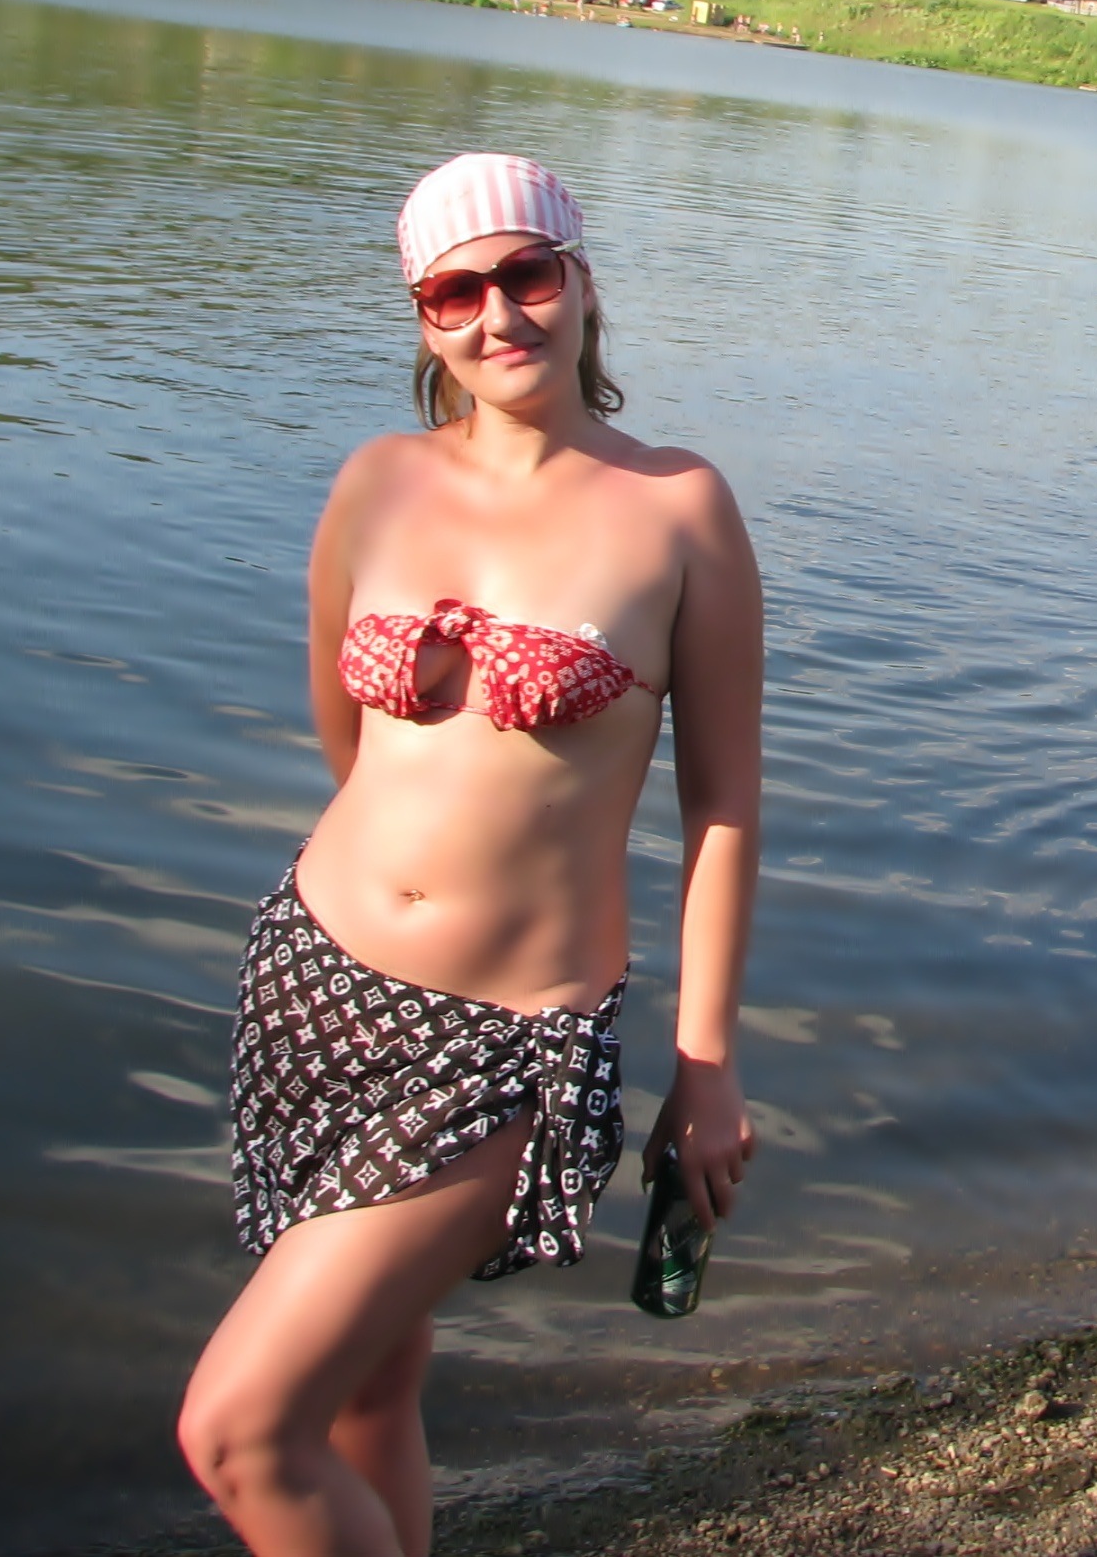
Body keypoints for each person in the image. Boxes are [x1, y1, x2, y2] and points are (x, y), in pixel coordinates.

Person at [177, 152, 763, 1557]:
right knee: (366, 1388)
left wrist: (705, 1063)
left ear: (582, 284)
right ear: (423, 318)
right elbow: (349, 741)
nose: (498, 315)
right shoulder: (377, 481)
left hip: (507, 1038)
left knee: (239, 1430)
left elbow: (724, 807)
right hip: (315, 986)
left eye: (527, 275)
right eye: (455, 293)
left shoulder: (680, 507)